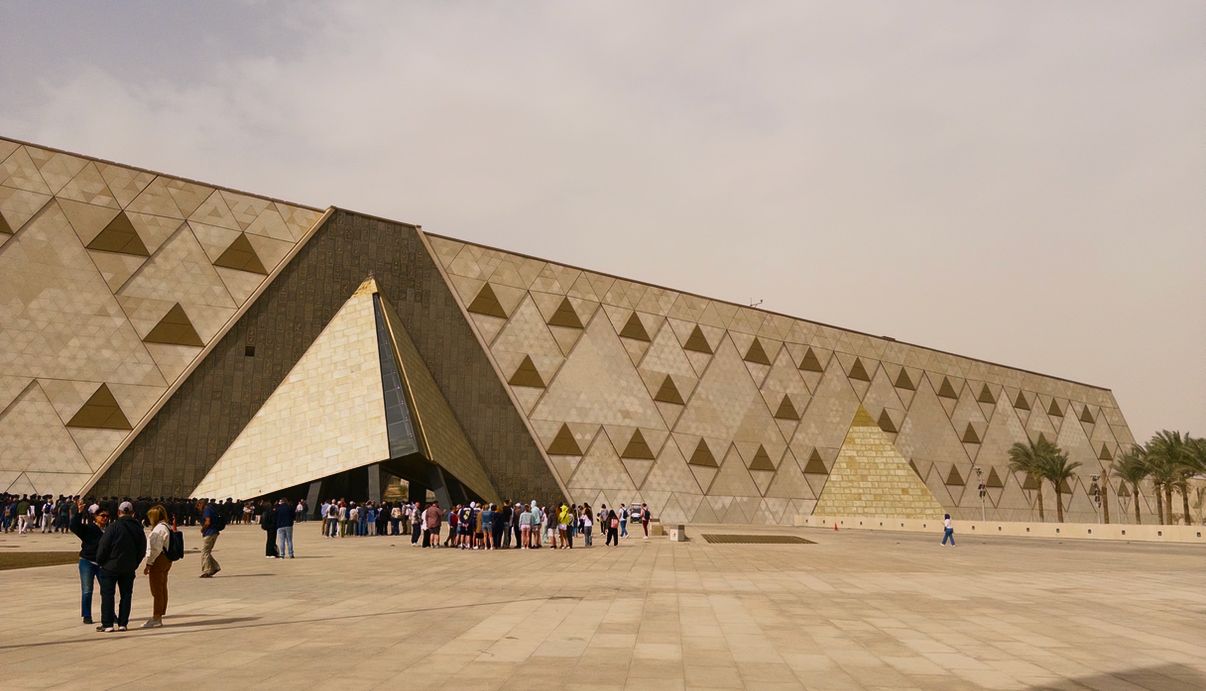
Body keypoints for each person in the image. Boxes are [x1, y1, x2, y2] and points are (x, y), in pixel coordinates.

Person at [95, 501, 146, 633]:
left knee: (107, 595)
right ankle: (123, 623)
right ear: (132, 513)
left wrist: (100, 561)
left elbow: (104, 546)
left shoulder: (113, 526)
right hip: (128, 568)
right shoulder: (138, 528)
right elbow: (142, 549)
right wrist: (135, 563)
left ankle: (107, 624)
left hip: (110, 566)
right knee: (126, 595)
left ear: (118, 512)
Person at [70, 500, 107, 624]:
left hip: (102, 564)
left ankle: (109, 614)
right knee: (87, 590)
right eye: (102, 516)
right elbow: (74, 527)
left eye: (107, 516)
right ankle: (87, 615)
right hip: (87, 562)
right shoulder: (89, 528)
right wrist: (79, 512)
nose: (105, 518)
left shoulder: (108, 531)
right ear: (95, 517)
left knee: (107, 590)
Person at [141, 504, 172, 628]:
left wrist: (149, 564)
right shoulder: (166, 526)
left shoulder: (158, 529)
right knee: (162, 587)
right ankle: (160, 613)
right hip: (166, 559)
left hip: (159, 560)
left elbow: (155, 549)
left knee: (156, 589)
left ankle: (157, 617)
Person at [197, 499, 222, 577]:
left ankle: (207, 571)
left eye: (198, 506)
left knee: (205, 552)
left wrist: (203, 528)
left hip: (209, 533)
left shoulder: (207, 510)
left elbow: (208, 521)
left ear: (201, 504)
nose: (198, 508)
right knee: (207, 551)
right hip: (214, 532)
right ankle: (215, 567)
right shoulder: (211, 508)